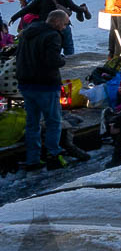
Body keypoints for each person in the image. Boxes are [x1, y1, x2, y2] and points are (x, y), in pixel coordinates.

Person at [16, 10, 71, 171]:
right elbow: (52, 60)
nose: (65, 27)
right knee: (53, 121)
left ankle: (33, 159)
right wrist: (62, 60)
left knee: (32, 123)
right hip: (45, 84)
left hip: (26, 83)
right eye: (65, 24)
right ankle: (53, 155)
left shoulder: (28, 32)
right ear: (57, 22)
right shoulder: (52, 36)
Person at [10, 0, 89, 56]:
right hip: (63, 25)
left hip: (47, 26)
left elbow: (28, 8)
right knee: (68, 46)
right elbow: (73, 7)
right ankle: (70, 59)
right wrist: (82, 10)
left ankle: (54, 58)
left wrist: (14, 17)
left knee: (52, 46)